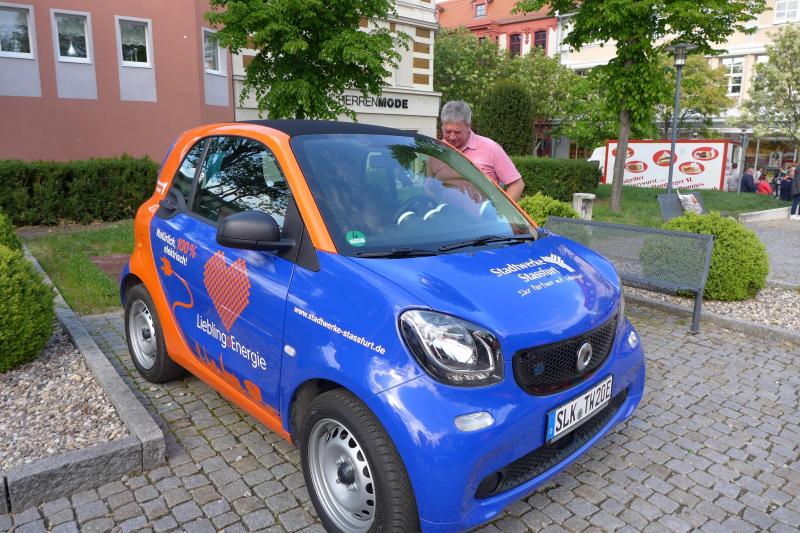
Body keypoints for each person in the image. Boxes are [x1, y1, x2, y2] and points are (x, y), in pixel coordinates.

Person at [437, 101, 525, 201]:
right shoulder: (436, 150)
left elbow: (517, 184)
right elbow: (430, 187)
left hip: (485, 211)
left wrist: (499, 210)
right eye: (447, 131)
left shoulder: (491, 148)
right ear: (442, 126)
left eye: (457, 132)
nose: (452, 137)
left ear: (469, 126)